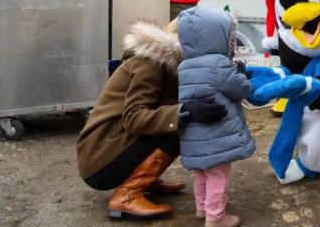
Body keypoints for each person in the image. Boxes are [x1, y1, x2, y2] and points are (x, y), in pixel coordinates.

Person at [76, 20, 227, 219]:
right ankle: (127, 194)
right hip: (100, 159)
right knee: (181, 125)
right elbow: (134, 117)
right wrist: (184, 110)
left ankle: (147, 180)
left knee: (179, 119)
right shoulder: (149, 62)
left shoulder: (170, 63)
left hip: (109, 150)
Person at [177, 6, 255, 227]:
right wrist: (240, 75)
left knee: (201, 173)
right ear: (217, 36)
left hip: (194, 135)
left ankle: (202, 208)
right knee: (218, 174)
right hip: (217, 134)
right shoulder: (218, 63)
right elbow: (240, 90)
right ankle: (216, 217)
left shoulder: (184, 66)